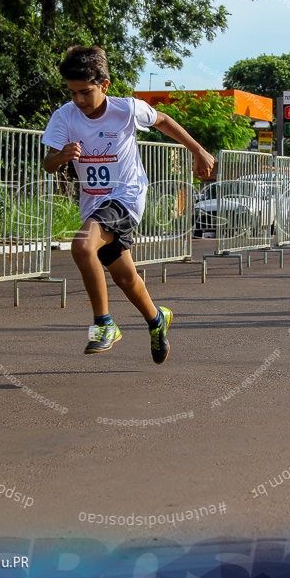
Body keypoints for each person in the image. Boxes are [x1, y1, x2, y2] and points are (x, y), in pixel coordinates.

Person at [41, 46, 215, 362]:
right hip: (93, 204)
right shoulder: (64, 116)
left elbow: (163, 120)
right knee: (124, 277)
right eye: (73, 93)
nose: (79, 100)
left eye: (86, 92)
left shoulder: (126, 110)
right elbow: (48, 163)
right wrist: (60, 157)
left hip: (127, 197)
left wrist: (198, 151)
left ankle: (104, 324)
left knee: (81, 246)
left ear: (104, 85)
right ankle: (156, 319)